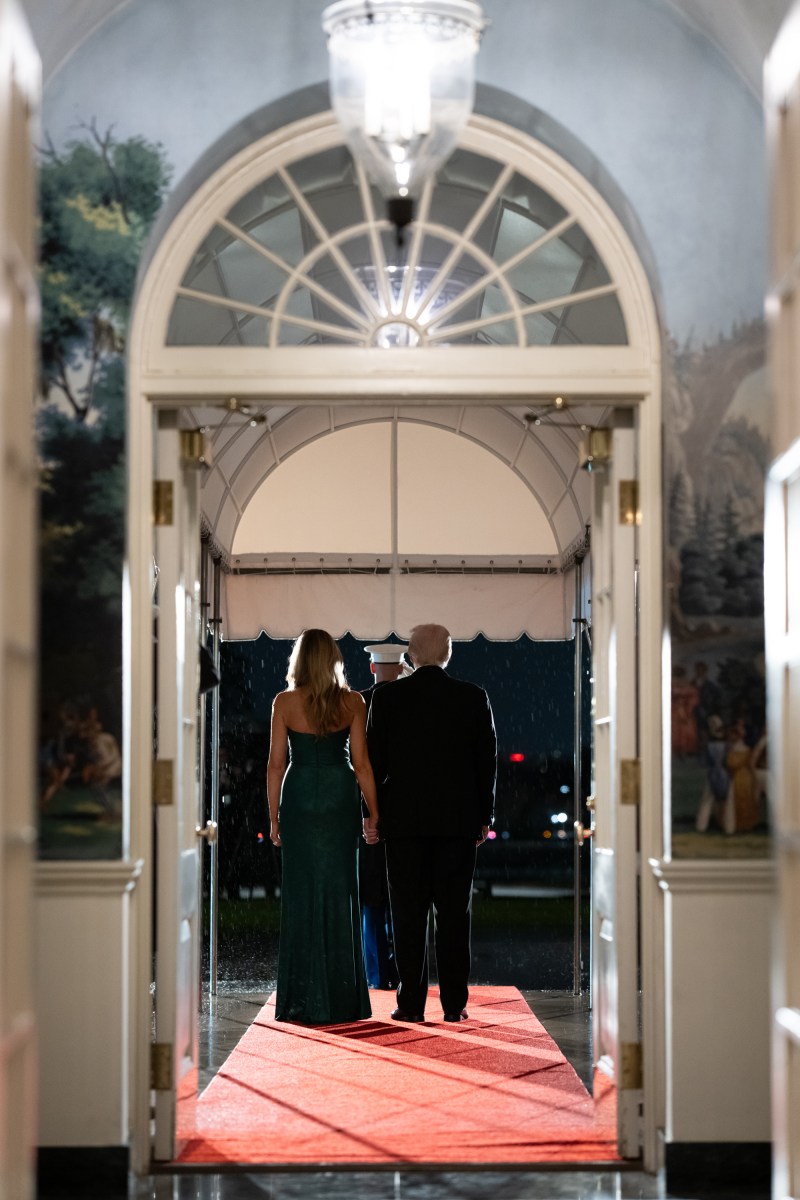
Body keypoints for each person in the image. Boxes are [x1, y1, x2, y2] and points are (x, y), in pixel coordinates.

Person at [367, 623, 496, 1024]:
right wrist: (483, 817)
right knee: (454, 916)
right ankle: (455, 1004)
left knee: (408, 915)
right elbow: (486, 764)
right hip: (457, 824)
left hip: (404, 823)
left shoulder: (388, 698)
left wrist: (372, 813)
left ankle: (411, 1004)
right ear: (447, 654)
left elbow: (372, 763)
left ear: (410, 655)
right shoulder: (473, 697)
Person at [267, 628, 379, 1024]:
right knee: (340, 892)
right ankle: (342, 997)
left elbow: (276, 765)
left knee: (300, 895)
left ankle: (300, 997)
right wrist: (374, 812)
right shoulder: (353, 701)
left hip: (299, 797)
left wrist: (274, 816)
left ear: (300, 660)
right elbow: (362, 764)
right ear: (333, 659)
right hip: (338, 797)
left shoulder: (284, 702)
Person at [359, 642, 408, 990]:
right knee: (403, 896)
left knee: (371, 898)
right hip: (407, 811)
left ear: (373, 668)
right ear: (402, 667)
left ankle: (377, 975)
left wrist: (367, 812)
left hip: (368, 809)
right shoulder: (414, 702)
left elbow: (362, 764)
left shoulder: (359, 702)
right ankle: (401, 972)